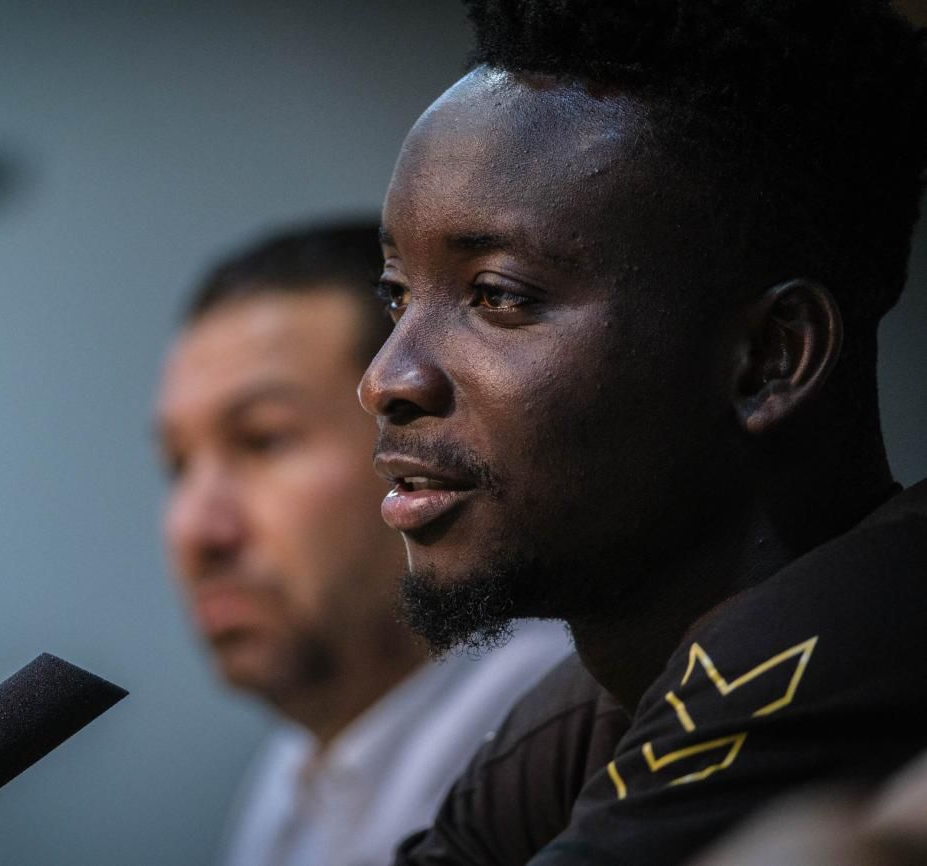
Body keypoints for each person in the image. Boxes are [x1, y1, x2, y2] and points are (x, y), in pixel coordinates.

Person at [356, 1, 927, 863]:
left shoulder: (856, 632)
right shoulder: (582, 705)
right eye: (399, 296)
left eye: (497, 295)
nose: (387, 379)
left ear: (770, 359)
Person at [155, 221, 572, 866]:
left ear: (415, 444)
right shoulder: (296, 764)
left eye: (263, 440)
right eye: (178, 464)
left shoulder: (563, 730)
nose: (197, 529)